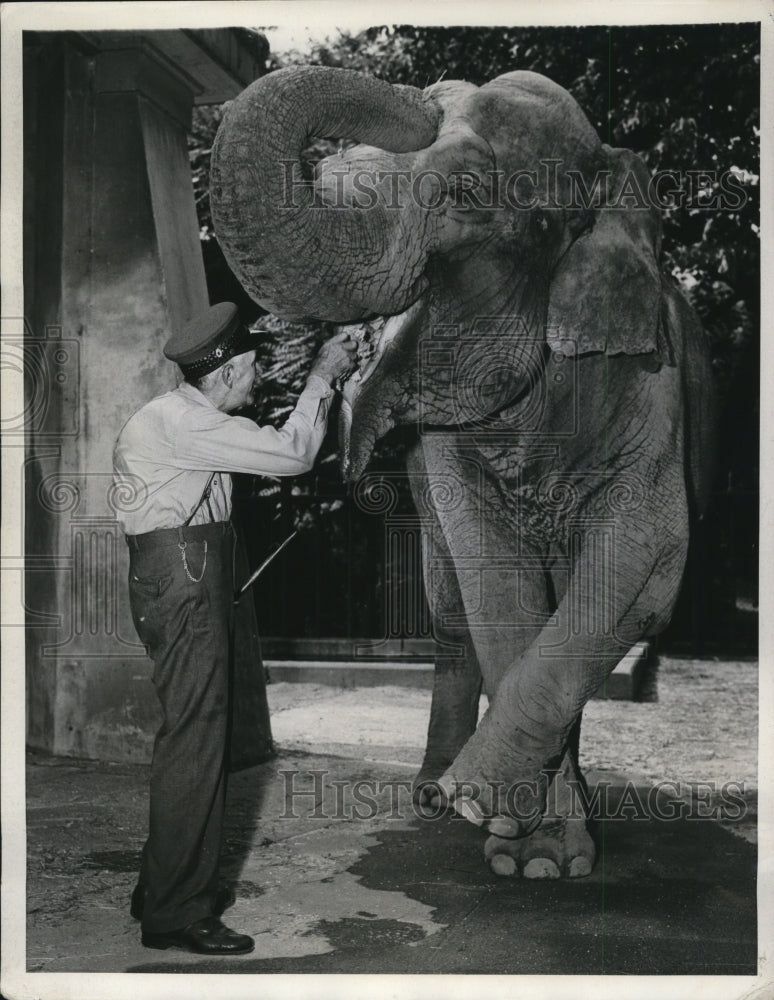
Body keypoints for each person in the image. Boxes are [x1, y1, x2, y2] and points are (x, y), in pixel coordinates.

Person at [112, 302, 356, 955]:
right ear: (225, 372)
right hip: (185, 581)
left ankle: (164, 883)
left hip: (191, 572)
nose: (256, 379)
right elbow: (296, 453)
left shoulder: (189, 418)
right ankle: (174, 913)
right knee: (195, 742)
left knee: (199, 737)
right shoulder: (186, 424)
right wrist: (322, 379)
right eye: (251, 369)